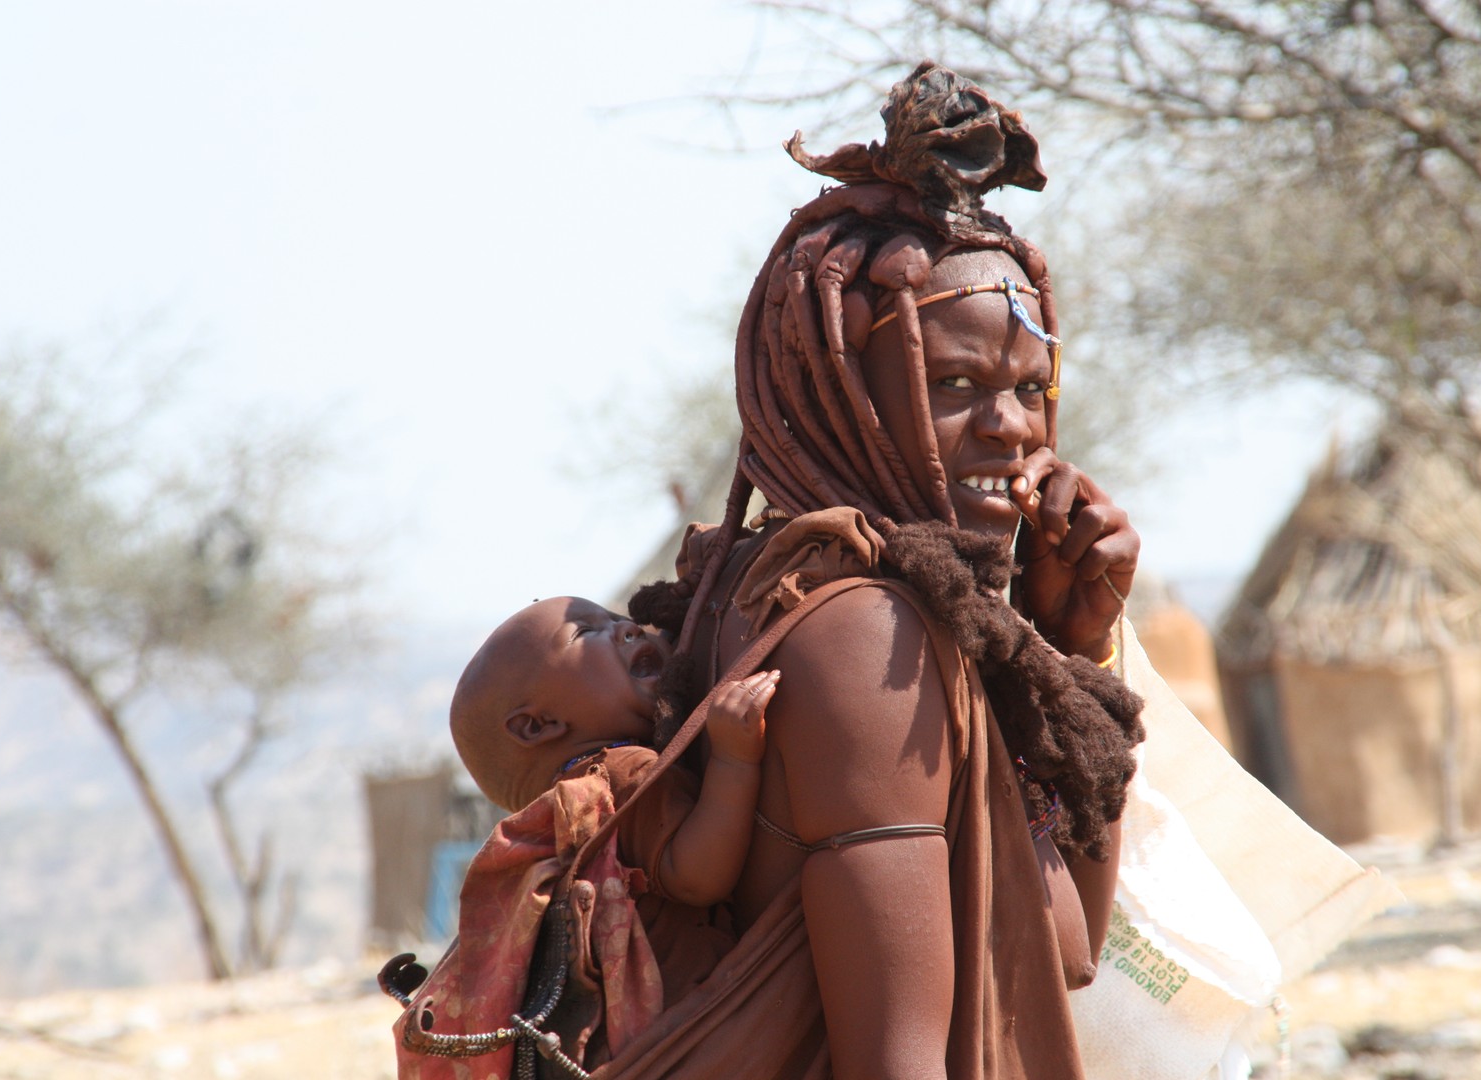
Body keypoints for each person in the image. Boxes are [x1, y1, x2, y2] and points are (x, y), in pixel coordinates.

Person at [608, 62, 1147, 1079]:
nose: (1009, 428)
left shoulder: (784, 585)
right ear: (836, 389)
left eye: (1030, 388)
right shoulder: (864, 636)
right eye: (952, 382)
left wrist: (1071, 650)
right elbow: (899, 1057)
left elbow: (1062, 943)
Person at [388, 596, 779, 1076]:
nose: (628, 628)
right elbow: (698, 876)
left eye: (617, 618)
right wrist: (734, 758)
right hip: (700, 1036)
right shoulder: (618, 773)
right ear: (538, 725)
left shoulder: (567, 817)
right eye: (586, 632)